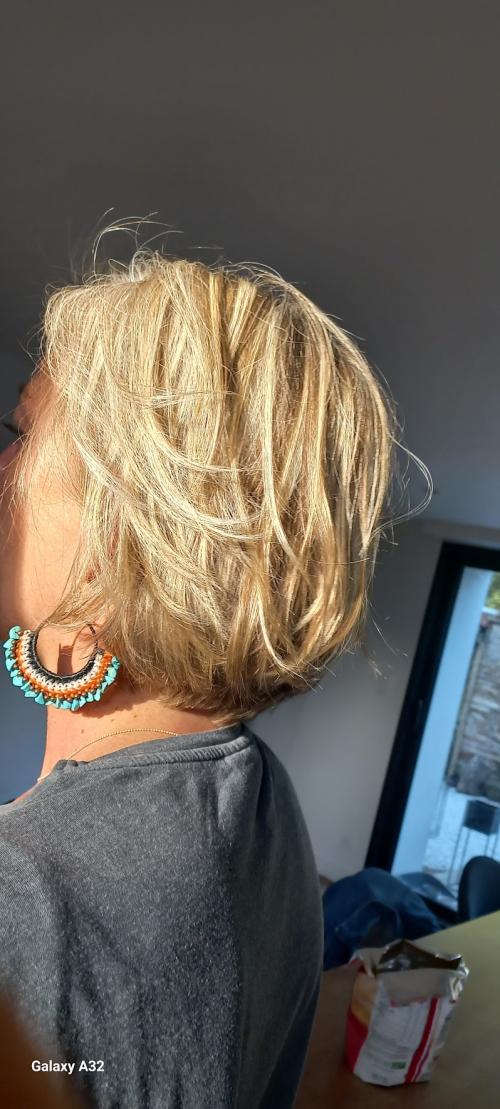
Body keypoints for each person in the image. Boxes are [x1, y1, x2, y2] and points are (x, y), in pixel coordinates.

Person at [0, 223, 399, 1108]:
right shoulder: (259, 796)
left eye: (21, 434)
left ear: (114, 543)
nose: (0, 471)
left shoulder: (23, 901)